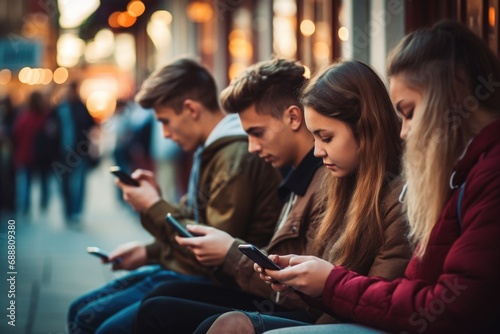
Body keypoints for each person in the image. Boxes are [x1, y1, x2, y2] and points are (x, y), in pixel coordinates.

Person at [206, 20, 500, 334]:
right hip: (348, 316)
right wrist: (309, 285)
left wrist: (325, 284)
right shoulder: (340, 184)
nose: (405, 131)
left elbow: (434, 305)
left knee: (224, 323)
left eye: (410, 112)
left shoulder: (443, 184)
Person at [143, 58, 414, 334]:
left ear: (365, 128)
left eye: (325, 137)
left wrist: (234, 255)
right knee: (161, 301)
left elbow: (381, 303)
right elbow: (320, 278)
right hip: (316, 311)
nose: (318, 151)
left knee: (170, 311)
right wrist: (293, 277)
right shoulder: (338, 181)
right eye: (315, 137)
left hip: (335, 319)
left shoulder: (389, 196)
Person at [67, 57, 282, 334]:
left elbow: (204, 253)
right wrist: (148, 251)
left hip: (218, 282)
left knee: (95, 322)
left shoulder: (234, 155)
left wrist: (153, 206)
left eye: (165, 122)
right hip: (196, 274)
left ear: (191, 109)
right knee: (81, 311)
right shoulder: (212, 149)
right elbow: (192, 220)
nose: (166, 134)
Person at [132, 58, 328, 333]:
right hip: (268, 295)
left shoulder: (325, 178)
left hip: (284, 305)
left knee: (155, 310)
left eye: (257, 133)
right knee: (157, 300)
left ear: (294, 118)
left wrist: (229, 253)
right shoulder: (298, 174)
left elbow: (307, 293)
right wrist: (149, 250)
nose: (251, 147)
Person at [54, 82, 96, 223]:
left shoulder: (81, 107)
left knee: (78, 183)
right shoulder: (59, 109)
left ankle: (76, 212)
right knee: (65, 184)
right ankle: (68, 211)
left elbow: (91, 127)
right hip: (62, 153)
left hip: (79, 152)